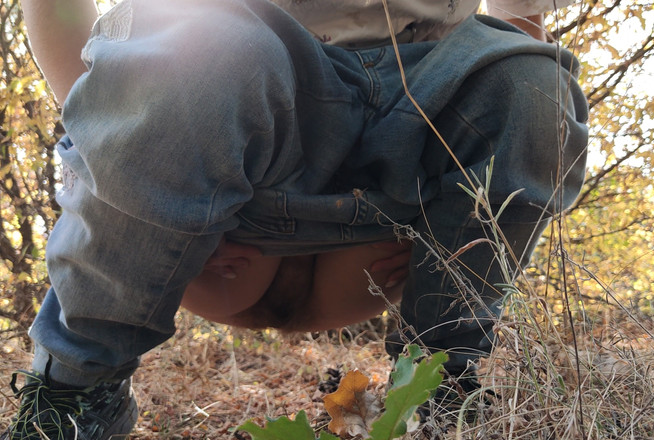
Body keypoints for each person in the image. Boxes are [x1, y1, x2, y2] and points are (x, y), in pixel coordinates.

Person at [4, 0, 588, 438]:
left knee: (535, 85)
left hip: (409, 146)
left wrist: (470, 211)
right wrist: (124, 158)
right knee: (206, 49)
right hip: (216, 134)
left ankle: (443, 395)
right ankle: (73, 395)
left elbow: (519, 33)